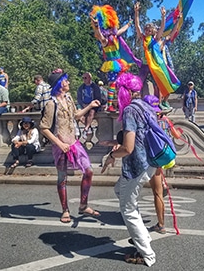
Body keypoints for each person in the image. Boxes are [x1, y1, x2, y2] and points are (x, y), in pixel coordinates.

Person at [101, 72, 157, 267]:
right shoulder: (145, 106)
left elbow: (129, 148)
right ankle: (142, 234)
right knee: (120, 192)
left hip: (136, 166)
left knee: (127, 209)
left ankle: (147, 254)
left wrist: (111, 157)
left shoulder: (130, 111)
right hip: (150, 163)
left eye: (117, 91)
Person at [39, 69, 101, 224]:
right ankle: (65, 210)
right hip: (60, 146)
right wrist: (59, 143)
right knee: (62, 178)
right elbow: (44, 128)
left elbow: (76, 115)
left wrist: (90, 106)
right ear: (59, 84)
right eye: (65, 81)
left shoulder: (68, 98)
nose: (68, 83)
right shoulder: (51, 104)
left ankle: (83, 205)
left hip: (74, 143)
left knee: (89, 171)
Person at [90, 4, 141, 112]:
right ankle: (110, 105)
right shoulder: (105, 40)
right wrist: (96, 27)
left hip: (119, 62)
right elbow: (99, 35)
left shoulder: (115, 35)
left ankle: (123, 102)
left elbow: (122, 30)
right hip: (112, 64)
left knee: (122, 83)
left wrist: (129, 23)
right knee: (112, 84)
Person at [134, 2, 181, 114]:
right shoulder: (143, 38)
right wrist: (136, 12)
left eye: (149, 31)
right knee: (138, 83)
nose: (147, 32)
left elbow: (164, 29)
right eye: (146, 30)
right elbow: (137, 26)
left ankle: (162, 102)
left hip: (156, 64)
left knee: (163, 82)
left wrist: (164, 16)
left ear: (153, 32)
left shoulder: (156, 40)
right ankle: (137, 101)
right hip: (146, 65)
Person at [77, 72, 101, 139]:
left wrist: (92, 104)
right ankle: (88, 127)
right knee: (80, 115)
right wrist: (82, 104)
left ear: (90, 78)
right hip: (84, 105)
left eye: (85, 78)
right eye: (83, 78)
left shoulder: (95, 87)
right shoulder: (81, 88)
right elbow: (79, 98)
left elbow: (98, 97)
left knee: (91, 113)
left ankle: (86, 129)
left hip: (93, 105)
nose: (84, 79)